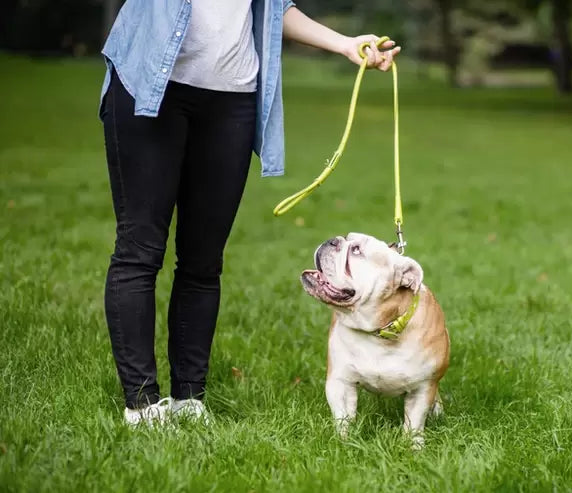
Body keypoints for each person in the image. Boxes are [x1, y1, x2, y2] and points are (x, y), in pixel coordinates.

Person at [99, 0, 401, 426]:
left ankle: (190, 400)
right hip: (151, 84)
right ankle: (143, 405)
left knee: (203, 261)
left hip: (231, 99)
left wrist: (345, 44)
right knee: (140, 250)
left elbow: (275, 8)